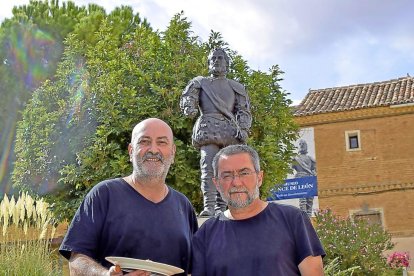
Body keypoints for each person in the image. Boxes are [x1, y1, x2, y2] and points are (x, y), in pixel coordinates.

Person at [59, 118, 199, 275]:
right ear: (131, 151)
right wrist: (105, 275)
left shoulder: (183, 206)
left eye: (161, 142)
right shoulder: (104, 195)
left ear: (173, 153)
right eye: (144, 141)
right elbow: (77, 261)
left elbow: (196, 267)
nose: (153, 149)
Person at [191, 145, 325, 276]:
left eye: (244, 173)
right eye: (227, 175)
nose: (236, 182)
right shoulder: (206, 233)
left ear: (259, 178)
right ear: (216, 183)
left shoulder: (293, 219)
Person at [180, 48, 252, 217]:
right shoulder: (200, 82)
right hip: (208, 129)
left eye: (220, 58)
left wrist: (243, 129)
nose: (217, 61)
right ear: (208, 63)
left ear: (227, 63)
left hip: (230, 132)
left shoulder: (237, 87)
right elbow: (188, 97)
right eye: (213, 58)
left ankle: (222, 206)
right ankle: (210, 205)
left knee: (227, 170)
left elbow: (243, 110)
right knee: (208, 167)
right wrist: (188, 107)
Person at [292, 139, 317, 216]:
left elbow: (314, 169)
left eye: (303, 144)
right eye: (300, 144)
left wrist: (314, 173)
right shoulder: (295, 159)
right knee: (302, 200)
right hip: (301, 180)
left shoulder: (311, 159)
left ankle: (308, 217)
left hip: (309, 180)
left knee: (309, 200)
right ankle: (304, 216)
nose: (302, 145)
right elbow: (292, 168)